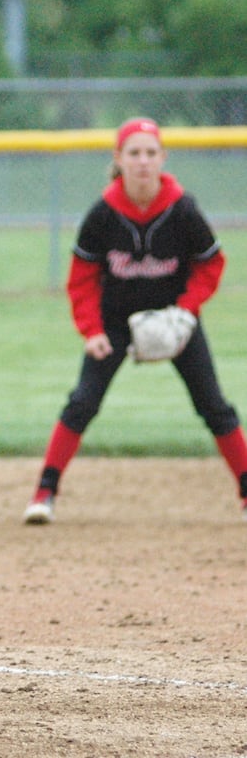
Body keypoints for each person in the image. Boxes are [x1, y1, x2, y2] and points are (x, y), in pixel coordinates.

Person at [23, 117, 247, 524]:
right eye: (134, 153)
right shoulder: (103, 214)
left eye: (150, 153)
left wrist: (186, 309)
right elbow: (82, 279)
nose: (142, 161)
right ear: (119, 160)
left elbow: (211, 265)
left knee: (214, 406)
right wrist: (91, 331)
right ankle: (44, 493)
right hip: (113, 321)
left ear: (162, 158)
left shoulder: (182, 209)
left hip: (176, 318)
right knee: (82, 403)